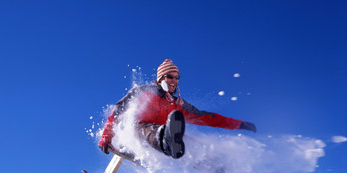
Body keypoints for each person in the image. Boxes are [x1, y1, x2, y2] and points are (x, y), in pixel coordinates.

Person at [98, 59, 256, 159]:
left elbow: (206, 118)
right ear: (161, 78)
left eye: (177, 77)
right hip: (137, 133)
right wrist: (106, 138)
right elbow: (117, 112)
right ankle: (166, 140)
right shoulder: (143, 91)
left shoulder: (177, 103)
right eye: (170, 77)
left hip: (165, 137)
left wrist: (240, 124)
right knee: (148, 129)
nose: (175, 81)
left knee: (194, 146)